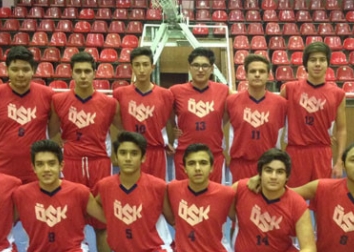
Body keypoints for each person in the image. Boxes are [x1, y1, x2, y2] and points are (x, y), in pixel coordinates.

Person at [49, 51, 118, 252]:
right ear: (71, 73)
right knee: (69, 224)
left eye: (87, 71)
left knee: (103, 224)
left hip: (100, 164)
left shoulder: (109, 104)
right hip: (71, 165)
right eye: (78, 71)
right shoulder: (59, 101)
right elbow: (54, 134)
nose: (83, 76)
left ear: (95, 72)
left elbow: (117, 135)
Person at [0, 46, 56, 184]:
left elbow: (54, 134)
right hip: (2, 168)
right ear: (7, 70)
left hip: (38, 170)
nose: (20, 74)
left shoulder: (48, 95)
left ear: (33, 70)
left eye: (25, 69)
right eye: (15, 69)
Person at [281, 42, 347, 188]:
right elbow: (276, 121)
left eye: (322, 60)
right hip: (295, 151)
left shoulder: (338, 94)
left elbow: (341, 129)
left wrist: (339, 161)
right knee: (293, 197)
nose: (317, 64)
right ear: (306, 64)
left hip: (322, 152)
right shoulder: (289, 89)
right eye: (313, 60)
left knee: (322, 197)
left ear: (328, 63)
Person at [170, 47, 231, 183]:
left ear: (212, 69)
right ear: (189, 68)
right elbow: (166, 114)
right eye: (196, 65)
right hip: (185, 154)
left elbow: (233, 112)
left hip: (213, 154)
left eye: (205, 66)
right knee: (183, 194)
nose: (200, 70)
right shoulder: (175, 91)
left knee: (214, 194)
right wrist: (172, 130)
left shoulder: (223, 90)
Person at [112, 46, 174, 180]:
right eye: (137, 65)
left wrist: (169, 140)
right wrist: (127, 133)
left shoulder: (166, 94)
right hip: (131, 151)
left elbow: (170, 121)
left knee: (157, 189)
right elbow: (116, 119)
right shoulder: (120, 93)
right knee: (132, 189)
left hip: (156, 151)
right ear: (132, 67)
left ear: (152, 67)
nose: (141, 69)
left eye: (145, 65)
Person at [225, 54, 287, 183]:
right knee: (240, 196)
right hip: (240, 163)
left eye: (262, 71)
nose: (257, 75)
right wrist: (226, 155)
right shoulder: (231, 101)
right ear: (246, 75)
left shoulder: (280, 103)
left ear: (268, 75)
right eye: (253, 71)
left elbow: (286, 133)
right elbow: (221, 126)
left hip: (269, 164)